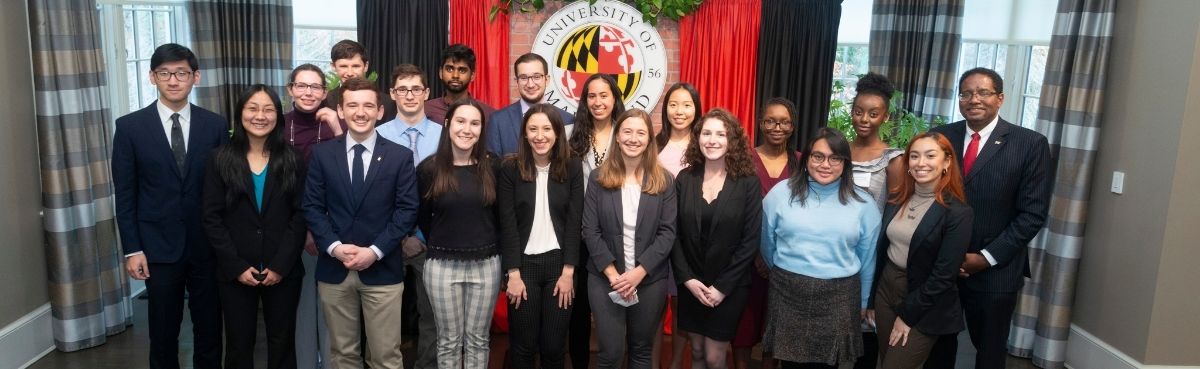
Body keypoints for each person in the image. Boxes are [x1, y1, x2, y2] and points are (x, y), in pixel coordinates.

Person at [923, 68, 1051, 369]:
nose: (974, 99)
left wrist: (984, 258)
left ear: (1000, 98)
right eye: (966, 93)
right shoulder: (942, 137)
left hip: (995, 270)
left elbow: (1032, 215)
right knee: (937, 349)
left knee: (990, 353)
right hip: (942, 266)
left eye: (983, 92)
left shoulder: (1029, 144)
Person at [112, 43, 226, 369]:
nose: (173, 80)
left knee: (209, 330)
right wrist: (132, 249)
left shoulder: (215, 125)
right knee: (163, 333)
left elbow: (225, 189)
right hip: (157, 248)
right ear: (152, 77)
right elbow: (125, 194)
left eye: (181, 73)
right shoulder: (130, 127)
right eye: (165, 73)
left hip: (207, 245)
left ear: (196, 78)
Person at [303, 78, 419, 369]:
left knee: (386, 357)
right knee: (342, 356)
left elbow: (407, 211)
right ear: (340, 111)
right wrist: (334, 247)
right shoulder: (322, 154)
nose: (360, 112)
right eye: (352, 105)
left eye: (368, 105)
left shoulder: (400, 156)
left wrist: (375, 251)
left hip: (382, 270)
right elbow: (312, 207)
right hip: (335, 269)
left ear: (380, 111)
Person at [202, 85, 307, 369]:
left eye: (268, 109)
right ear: (240, 113)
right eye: (252, 108)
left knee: (282, 342)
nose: (260, 116)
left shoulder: (293, 159)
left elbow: (300, 216)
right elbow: (211, 217)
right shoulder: (219, 159)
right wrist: (235, 266)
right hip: (235, 269)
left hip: (282, 269)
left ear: (278, 116)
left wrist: (280, 266)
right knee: (238, 344)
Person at [761, 128, 881, 369]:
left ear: (845, 164)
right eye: (818, 156)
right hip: (788, 292)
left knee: (827, 365)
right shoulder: (779, 195)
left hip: (839, 296)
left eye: (835, 158)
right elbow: (767, 244)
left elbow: (867, 259)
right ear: (806, 159)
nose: (826, 164)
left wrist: (864, 301)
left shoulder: (864, 204)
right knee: (790, 363)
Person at [867, 132, 972, 369]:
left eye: (930, 155)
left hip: (925, 301)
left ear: (946, 162)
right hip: (886, 291)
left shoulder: (957, 213)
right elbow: (881, 252)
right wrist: (874, 298)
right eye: (914, 156)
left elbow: (944, 275)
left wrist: (907, 316)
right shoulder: (897, 200)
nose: (920, 162)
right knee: (884, 361)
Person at [582, 109, 676, 369]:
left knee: (641, 352)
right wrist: (614, 276)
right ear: (618, 136)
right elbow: (590, 230)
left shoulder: (664, 181)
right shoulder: (598, 178)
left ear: (649, 140)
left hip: (649, 281)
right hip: (604, 280)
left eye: (641, 133)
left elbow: (667, 232)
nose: (633, 138)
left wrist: (638, 273)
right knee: (610, 354)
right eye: (627, 131)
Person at [671, 109, 761, 369]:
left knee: (714, 356)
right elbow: (673, 234)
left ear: (732, 140)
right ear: (697, 138)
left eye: (721, 134)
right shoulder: (685, 179)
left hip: (729, 287)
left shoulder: (747, 182)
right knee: (697, 351)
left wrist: (722, 288)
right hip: (692, 284)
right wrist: (687, 279)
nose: (712, 140)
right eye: (706, 133)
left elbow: (751, 239)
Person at [497, 103, 585, 369]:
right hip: (523, 269)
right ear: (524, 134)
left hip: (560, 267)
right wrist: (512, 274)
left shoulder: (572, 166)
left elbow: (574, 223)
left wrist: (569, 273)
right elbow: (508, 224)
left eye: (547, 129)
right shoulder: (510, 168)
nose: (540, 135)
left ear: (558, 133)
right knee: (523, 348)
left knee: (554, 347)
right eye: (533, 129)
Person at [416, 100, 501, 369]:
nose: (467, 129)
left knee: (478, 340)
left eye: (475, 123)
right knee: (449, 341)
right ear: (447, 124)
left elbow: (501, 218)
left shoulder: (493, 167)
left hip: (486, 265)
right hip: (441, 267)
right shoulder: (429, 169)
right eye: (460, 121)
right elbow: (422, 218)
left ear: (482, 129)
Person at [375, 63, 443, 369]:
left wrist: (419, 235)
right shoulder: (377, 135)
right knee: (383, 317)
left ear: (427, 93)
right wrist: (398, 236)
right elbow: (372, 194)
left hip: (430, 241)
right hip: (386, 241)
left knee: (433, 315)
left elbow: (446, 193)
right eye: (402, 89)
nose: (410, 95)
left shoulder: (446, 137)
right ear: (392, 94)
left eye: (416, 89)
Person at [735, 97, 802, 369]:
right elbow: (736, 212)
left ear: (792, 126)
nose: (778, 127)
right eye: (771, 120)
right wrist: (755, 256)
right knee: (744, 324)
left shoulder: (801, 163)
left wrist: (774, 258)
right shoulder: (743, 160)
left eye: (784, 121)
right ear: (761, 123)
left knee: (776, 326)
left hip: (785, 261)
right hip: (746, 260)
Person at [565, 73, 627, 369]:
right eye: (591, 96)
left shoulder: (627, 133)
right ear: (584, 100)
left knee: (615, 310)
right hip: (578, 234)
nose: (598, 102)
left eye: (604, 95)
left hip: (617, 234)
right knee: (578, 311)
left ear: (615, 98)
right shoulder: (569, 135)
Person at [847, 72, 905, 369]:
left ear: (886, 116)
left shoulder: (893, 159)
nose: (864, 119)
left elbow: (893, 216)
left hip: (872, 252)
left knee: (865, 329)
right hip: (838, 250)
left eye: (873, 113)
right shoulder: (839, 150)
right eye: (859, 112)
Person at [653, 81, 701, 369]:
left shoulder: (703, 146)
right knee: (655, 308)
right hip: (656, 238)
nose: (679, 111)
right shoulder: (654, 144)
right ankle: (654, 363)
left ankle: (674, 364)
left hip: (689, 240)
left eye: (686, 104)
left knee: (682, 307)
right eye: (673, 104)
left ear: (696, 109)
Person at [487, 53, 575, 155]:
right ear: (517, 81)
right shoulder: (498, 121)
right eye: (524, 78)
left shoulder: (567, 120)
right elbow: (492, 166)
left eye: (536, 77)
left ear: (547, 80)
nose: (530, 84)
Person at [425, 44, 497, 123]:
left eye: (462, 70)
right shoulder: (426, 110)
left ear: (472, 75)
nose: (455, 75)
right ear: (441, 72)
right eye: (450, 69)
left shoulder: (487, 114)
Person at [284, 64, 344, 159]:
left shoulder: (338, 124)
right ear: (290, 90)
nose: (308, 93)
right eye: (301, 86)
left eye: (315, 87)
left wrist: (337, 130)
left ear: (324, 93)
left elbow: (347, 166)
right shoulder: (279, 123)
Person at [325, 40, 371, 109]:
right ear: (333, 67)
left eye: (356, 66)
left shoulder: (386, 103)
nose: (350, 73)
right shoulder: (325, 101)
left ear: (366, 66)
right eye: (343, 66)